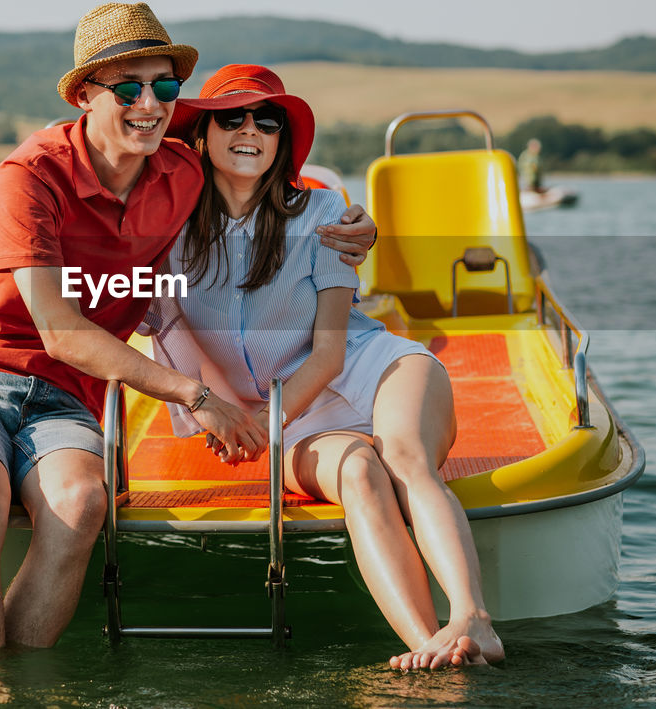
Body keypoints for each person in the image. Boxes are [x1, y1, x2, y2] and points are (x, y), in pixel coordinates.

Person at [0, 4, 377, 653]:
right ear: (84, 95)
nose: (150, 104)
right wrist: (197, 395)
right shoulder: (30, 175)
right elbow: (61, 332)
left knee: (83, 504)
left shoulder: (183, 173)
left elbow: (281, 188)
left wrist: (356, 228)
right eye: (129, 89)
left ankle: (18, 686)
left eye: (165, 88)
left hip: (67, 395)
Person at [143, 64, 505, 670]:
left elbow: (333, 351)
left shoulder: (324, 212)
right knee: (361, 473)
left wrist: (257, 423)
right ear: (202, 136)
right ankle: (427, 646)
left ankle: (472, 618)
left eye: (268, 120)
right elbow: (173, 330)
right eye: (232, 117)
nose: (250, 129)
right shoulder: (167, 229)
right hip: (284, 419)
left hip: (363, 369)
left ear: (283, 140)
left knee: (405, 457)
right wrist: (219, 413)